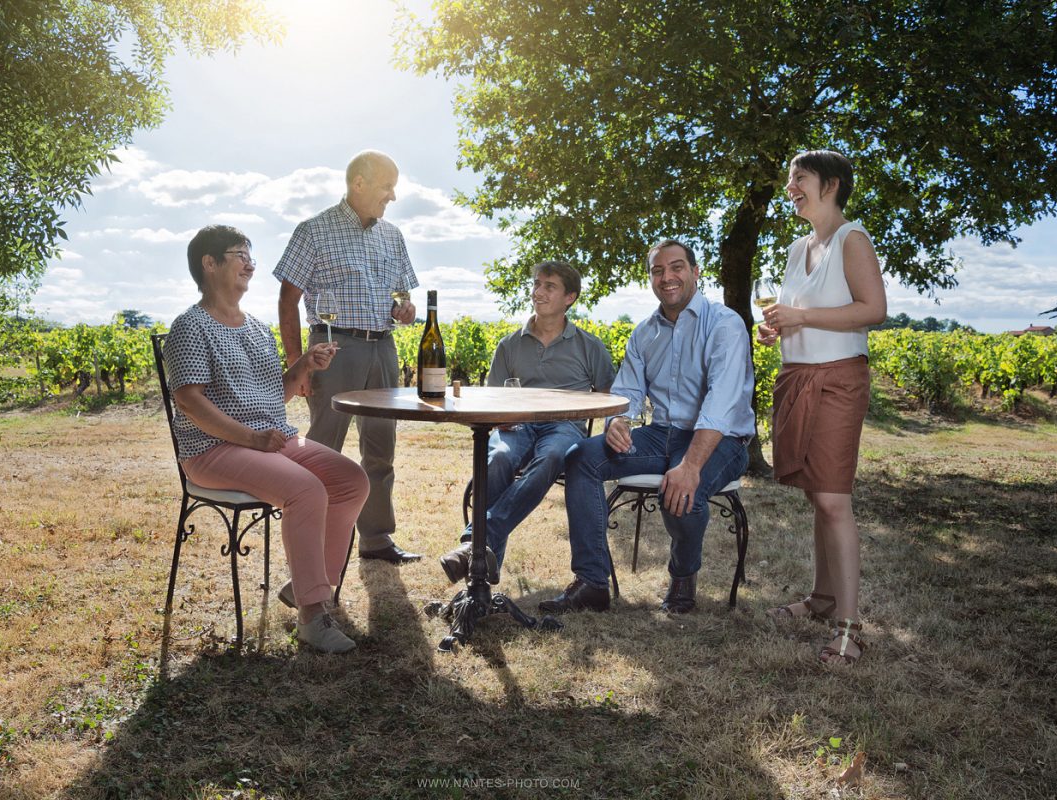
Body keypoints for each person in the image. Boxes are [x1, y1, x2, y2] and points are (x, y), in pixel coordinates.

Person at [163, 225, 369, 654]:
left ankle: (307, 585)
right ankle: (314, 616)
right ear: (209, 263)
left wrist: (306, 366)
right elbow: (189, 402)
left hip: (270, 441)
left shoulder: (256, 328)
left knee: (352, 481)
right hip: (213, 449)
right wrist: (252, 439)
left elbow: (275, 391)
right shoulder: (189, 327)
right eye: (240, 254)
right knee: (305, 489)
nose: (251, 263)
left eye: (250, 255)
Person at [540, 240, 756, 615]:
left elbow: (722, 404)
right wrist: (618, 421)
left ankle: (683, 578)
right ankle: (592, 582)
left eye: (676, 267)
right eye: (658, 271)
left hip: (721, 439)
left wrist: (689, 466)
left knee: (681, 493)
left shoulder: (725, 324)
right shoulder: (644, 333)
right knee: (580, 458)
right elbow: (627, 389)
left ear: (695, 272)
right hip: (660, 433)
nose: (667, 277)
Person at [757, 150, 886, 666]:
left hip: (837, 382)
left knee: (834, 500)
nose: (791, 186)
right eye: (791, 178)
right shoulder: (795, 249)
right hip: (798, 377)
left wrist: (801, 315)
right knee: (817, 495)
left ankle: (849, 629)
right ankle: (821, 598)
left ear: (830, 185)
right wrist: (779, 328)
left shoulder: (852, 239)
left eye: (800, 178)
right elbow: (802, 316)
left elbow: (872, 311)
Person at [274, 150, 422, 564]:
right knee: (325, 448)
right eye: (386, 187)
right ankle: (316, 544)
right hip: (334, 348)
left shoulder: (392, 235)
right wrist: (296, 364)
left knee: (381, 448)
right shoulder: (314, 230)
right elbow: (288, 300)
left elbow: (401, 294)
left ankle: (376, 540)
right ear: (359, 183)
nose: (392, 196)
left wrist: (404, 309)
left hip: (384, 347)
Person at [439, 261, 616, 584]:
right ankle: (485, 569)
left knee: (551, 456)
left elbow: (608, 395)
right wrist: (500, 418)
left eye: (550, 286)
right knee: (499, 458)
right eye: (537, 284)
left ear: (570, 298)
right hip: (516, 424)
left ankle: (475, 545)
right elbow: (492, 398)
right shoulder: (509, 344)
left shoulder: (589, 346)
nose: (538, 291)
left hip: (564, 427)